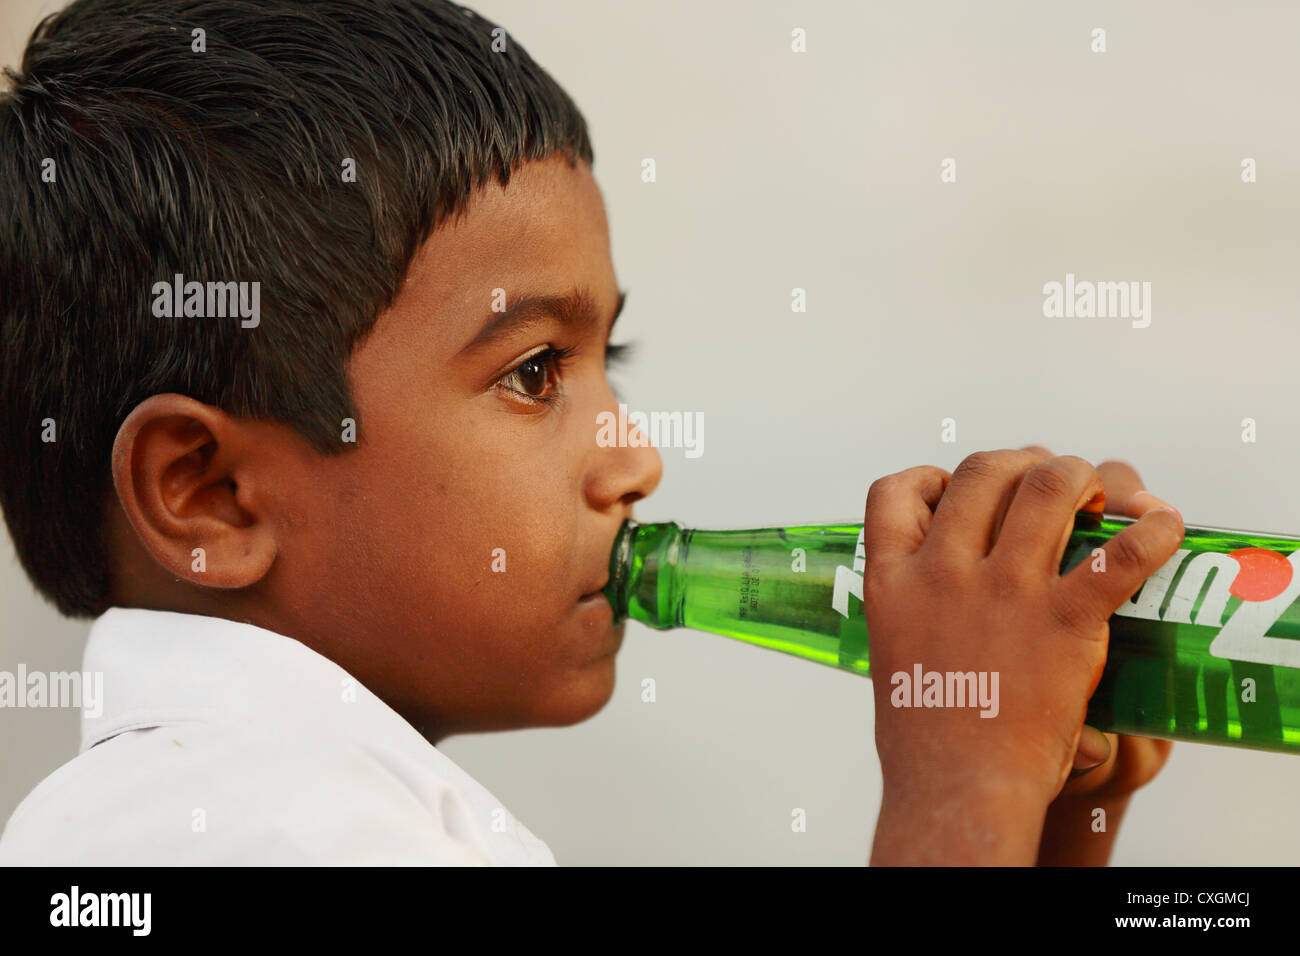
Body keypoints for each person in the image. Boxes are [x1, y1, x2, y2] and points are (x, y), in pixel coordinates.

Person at [0, 0, 1184, 865]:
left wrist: (1038, 826)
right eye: (531, 371)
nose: (634, 456)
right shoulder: (214, 825)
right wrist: (960, 790)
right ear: (209, 495)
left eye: (603, 361)